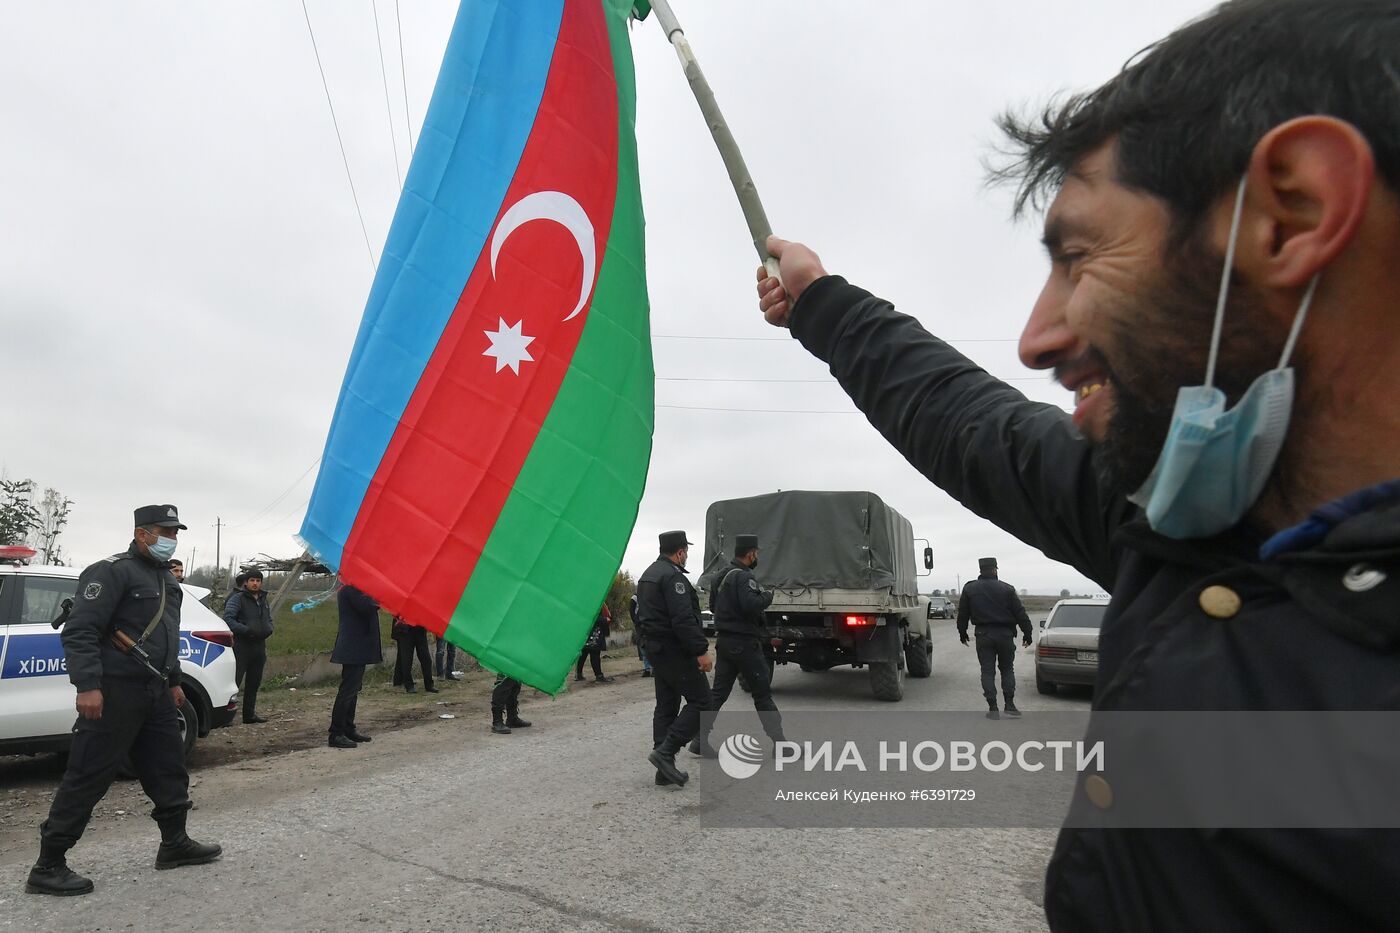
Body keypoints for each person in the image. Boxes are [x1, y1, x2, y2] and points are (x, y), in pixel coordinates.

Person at [754, 2, 1400, 927]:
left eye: (1079, 256)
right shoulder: (1189, 531)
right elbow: (978, 426)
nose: (1036, 337)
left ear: (1291, 212)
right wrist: (822, 304)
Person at [26, 505, 220, 896]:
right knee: (89, 775)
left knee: (168, 767)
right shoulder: (111, 572)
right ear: (142, 533)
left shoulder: (167, 579)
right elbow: (80, 631)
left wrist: (175, 682)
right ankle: (48, 865)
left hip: (156, 691)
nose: (172, 539)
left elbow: (167, 635)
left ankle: (174, 844)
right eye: (164, 532)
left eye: (175, 533)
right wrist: (87, 685)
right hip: (114, 692)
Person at [691, 534, 782, 757]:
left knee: (719, 693)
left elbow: (713, 606)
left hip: (725, 642)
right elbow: (752, 605)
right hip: (745, 643)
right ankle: (781, 745)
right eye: (757, 552)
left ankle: (699, 738)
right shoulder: (743, 577)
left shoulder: (720, 576)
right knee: (762, 694)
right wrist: (768, 596)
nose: (757, 556)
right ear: (751, 553)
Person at [636, 530, 713, 787]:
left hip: (656, 649)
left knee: (667, 705)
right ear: (680, 552)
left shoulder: (648, 575)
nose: (687, 556)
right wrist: (700, 650)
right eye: (686, 551)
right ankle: (666, 752)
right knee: (703, 700)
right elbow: (683, 620)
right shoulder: (673, 577)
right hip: (674, 650)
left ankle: (663, 770)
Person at [955, 558, 1033, 719]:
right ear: (995, 570)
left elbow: (963, 614)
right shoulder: (1007, 589)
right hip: (1005, 635)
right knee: (1007, 669)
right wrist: (1028, 633)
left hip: (983, 635)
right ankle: (1010, 705)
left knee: (987, 671)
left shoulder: (970, 589)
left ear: (980, 570)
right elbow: (1021, 614)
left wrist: (962, 633)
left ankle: (993, 708)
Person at [329, 584, 382, 749]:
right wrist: (381, 593)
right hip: (353, 647)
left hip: (359, 647)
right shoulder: (350, 589)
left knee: (353, 691)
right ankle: (336, 733)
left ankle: (348, 728)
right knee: (347, 692)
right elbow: (367, 607)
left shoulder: (357, 589)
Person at [223, 568, 273, 724]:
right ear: (246, 582)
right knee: (234, 683)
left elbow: (268, 619)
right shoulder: (237, 599)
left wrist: (269, 629)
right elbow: (229, 619)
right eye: (252, 580)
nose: (255, 583)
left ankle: (249, 715)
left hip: (259, 647)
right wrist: (247, 631)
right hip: (241, 647)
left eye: (258, 581)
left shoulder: (263, 599)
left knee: (254, 683)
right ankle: (224, 717)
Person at [391, 615, 436, 694]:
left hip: (419, 628)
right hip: (405, 631)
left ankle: (429, 684)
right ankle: (409, 685)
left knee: (426, 659)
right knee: (407, 660)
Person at [575, 603, 614, 683]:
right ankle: (599, 676)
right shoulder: (593, 603)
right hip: (594, 633)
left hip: (586, 633)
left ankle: (579, 674)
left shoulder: (588, 601)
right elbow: (592, 616)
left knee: (584, 654)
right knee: (594, 654)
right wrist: (604, 619)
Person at [629, 592, 652, 677]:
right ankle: (647, 669)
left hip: (650, 624)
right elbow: (631, 611)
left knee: (651, 646)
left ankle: (653, 669)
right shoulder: (635, 597)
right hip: (640, 626)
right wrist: (636, 622)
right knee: (643, 646)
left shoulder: (649, 595)